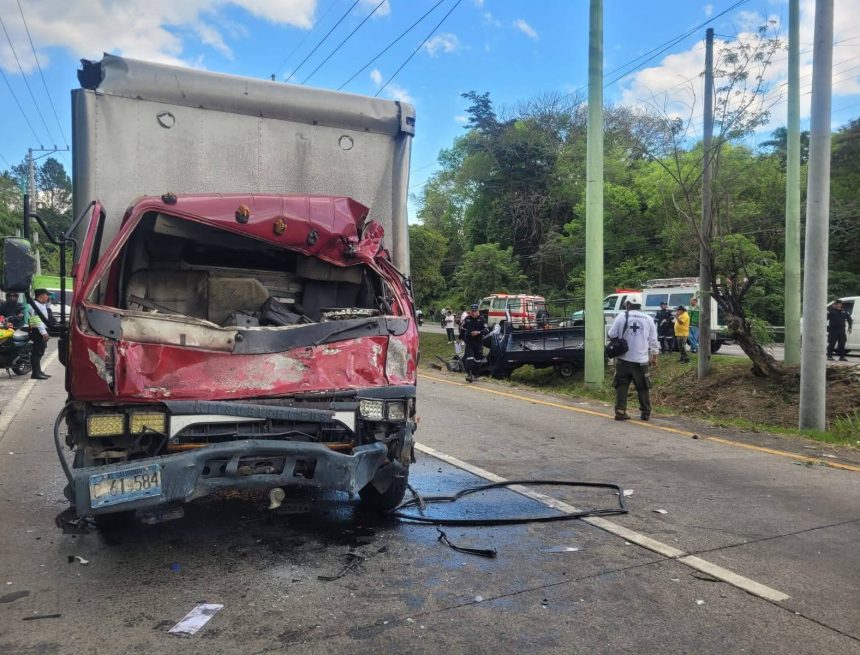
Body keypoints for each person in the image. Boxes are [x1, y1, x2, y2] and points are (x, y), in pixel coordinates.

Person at [607, 293, 660, 421]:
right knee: (643, 387)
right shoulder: (648, 319)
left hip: (623, 360)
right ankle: (645, 413)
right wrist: (654, 357)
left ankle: (620, 412)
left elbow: (611, 333)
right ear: (639, 305)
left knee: (621, 385)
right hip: (641, 361)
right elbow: (653, 340)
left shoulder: (621, 316)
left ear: (628, 304)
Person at [28, 288, 54, 380]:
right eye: (46, 295)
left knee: (40, 352)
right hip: (37, 331)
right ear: (41, 296)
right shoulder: (34, 305)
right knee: (37, 352)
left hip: (41, 330)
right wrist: (43, 332)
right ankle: (35, 373)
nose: (48, 297)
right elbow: (36, 320)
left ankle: (39, 371)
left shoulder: (41, 304)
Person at [461, 303, 488, 383]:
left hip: (478, 342)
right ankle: (469, 375)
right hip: (469, 342)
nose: (473, 313)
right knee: (469, 358)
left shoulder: (482, 319)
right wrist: (461, 338)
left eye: (475, 311)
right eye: (472, 311)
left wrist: (478, 332)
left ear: (478, 311)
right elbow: (463, 328)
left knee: (477, 360)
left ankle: (475, 375)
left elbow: (486, 330)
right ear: (470, 311)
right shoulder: (467, 319)